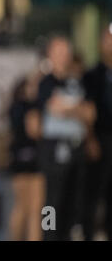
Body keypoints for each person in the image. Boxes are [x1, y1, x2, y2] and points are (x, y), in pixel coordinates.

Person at [34, 36, 95, 240]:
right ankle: (48, 236)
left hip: (76, 146)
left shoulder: (78, 81)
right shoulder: (46, 82)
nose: (63, 57)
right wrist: (76, 109)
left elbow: (90, 113)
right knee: (52, 200)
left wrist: (69, 108)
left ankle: (69, 234)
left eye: (66, 52)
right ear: (50, 55)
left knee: (75, 199)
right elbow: (52, 107)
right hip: (53, 148)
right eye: (58, 52)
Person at [82, 25, 112, 240]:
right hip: (100, 139)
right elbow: (87, 110)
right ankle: (88, 232)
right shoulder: (92, 75)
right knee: (94, 191)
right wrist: (90, 138)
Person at [8, 71, 45, 241]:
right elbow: (34, 131)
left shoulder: (15, 107)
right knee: (33, 209)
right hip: (31, 159)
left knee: (23, 207)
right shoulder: (30, 107)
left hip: (19, 158)